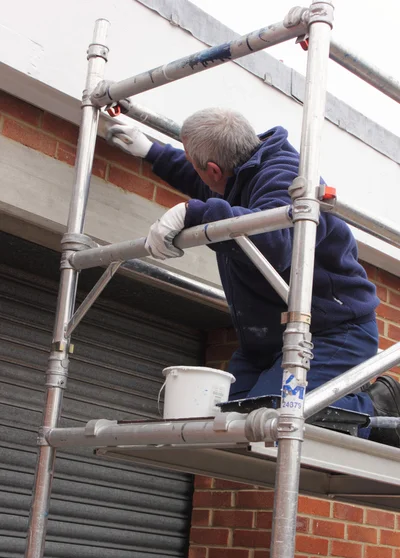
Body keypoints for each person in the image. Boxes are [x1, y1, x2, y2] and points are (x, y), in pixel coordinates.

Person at [106, 107, 400, 446]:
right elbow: (211, 186)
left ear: (214, 168)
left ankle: (378, 406)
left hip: (332, 330)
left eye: (196, 164)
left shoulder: (287, 176)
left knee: (274, 419)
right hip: (269, 339)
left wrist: (192, 212)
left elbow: (272, 242)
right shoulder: (242, 171)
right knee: (230, 424)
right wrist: (150, 150)